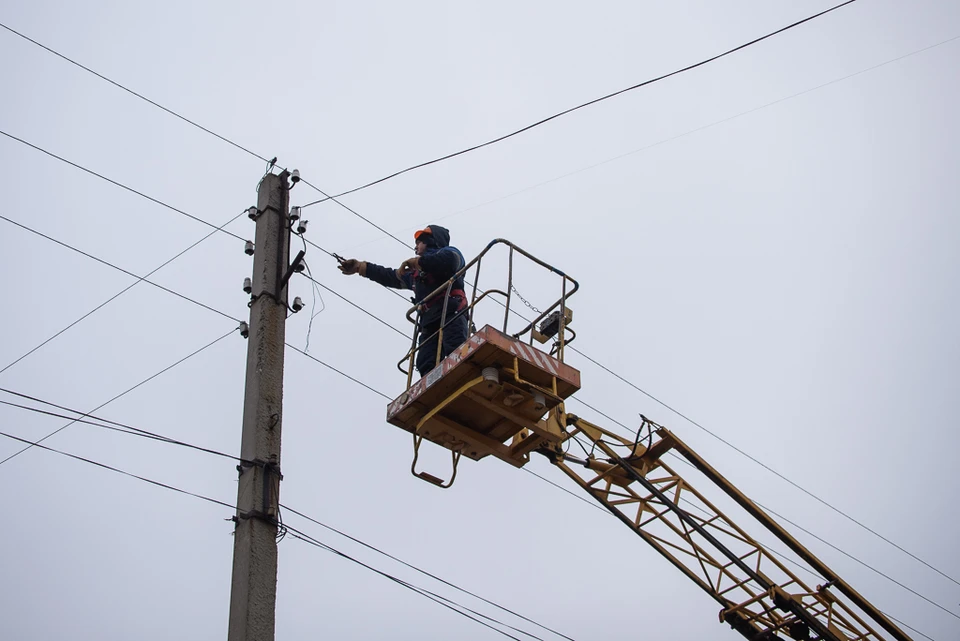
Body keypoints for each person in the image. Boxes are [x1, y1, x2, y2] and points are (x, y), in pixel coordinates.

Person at [338, 225, 469, 377]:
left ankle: (463, 376)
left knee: (456, 349)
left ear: (432, 240)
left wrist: (418, 262)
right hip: (429, 322)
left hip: (451, 312)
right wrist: (361, 267)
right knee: (426, 362)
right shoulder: (416, 275)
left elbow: (448, 262)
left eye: (419, 242)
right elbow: (389, 276)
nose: (416, 247)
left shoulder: (449, 253)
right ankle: (435, 390)